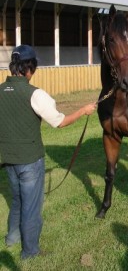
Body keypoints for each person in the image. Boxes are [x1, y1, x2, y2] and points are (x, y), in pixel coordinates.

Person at [0, 45, 97, 259]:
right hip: (30, 161)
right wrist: (83, 110)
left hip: (8, 161)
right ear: (29, 68)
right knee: (31, 208)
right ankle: (30, 252)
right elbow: (59, 122)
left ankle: (11, 239)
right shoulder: (35, 94)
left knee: (17, 200)